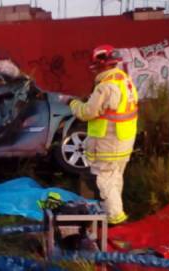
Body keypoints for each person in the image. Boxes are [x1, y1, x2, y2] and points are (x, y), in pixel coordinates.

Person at [67, 44, 138, 225]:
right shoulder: (125, 80)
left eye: (95, 65)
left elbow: (87, 113)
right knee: (115, 178)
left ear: (102, 64)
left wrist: (71, 103)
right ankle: (116, 213)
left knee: (105, 180)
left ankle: (115, 221)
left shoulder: (105, 87)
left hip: (108, 143)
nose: (94, 69)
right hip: (124, 140)